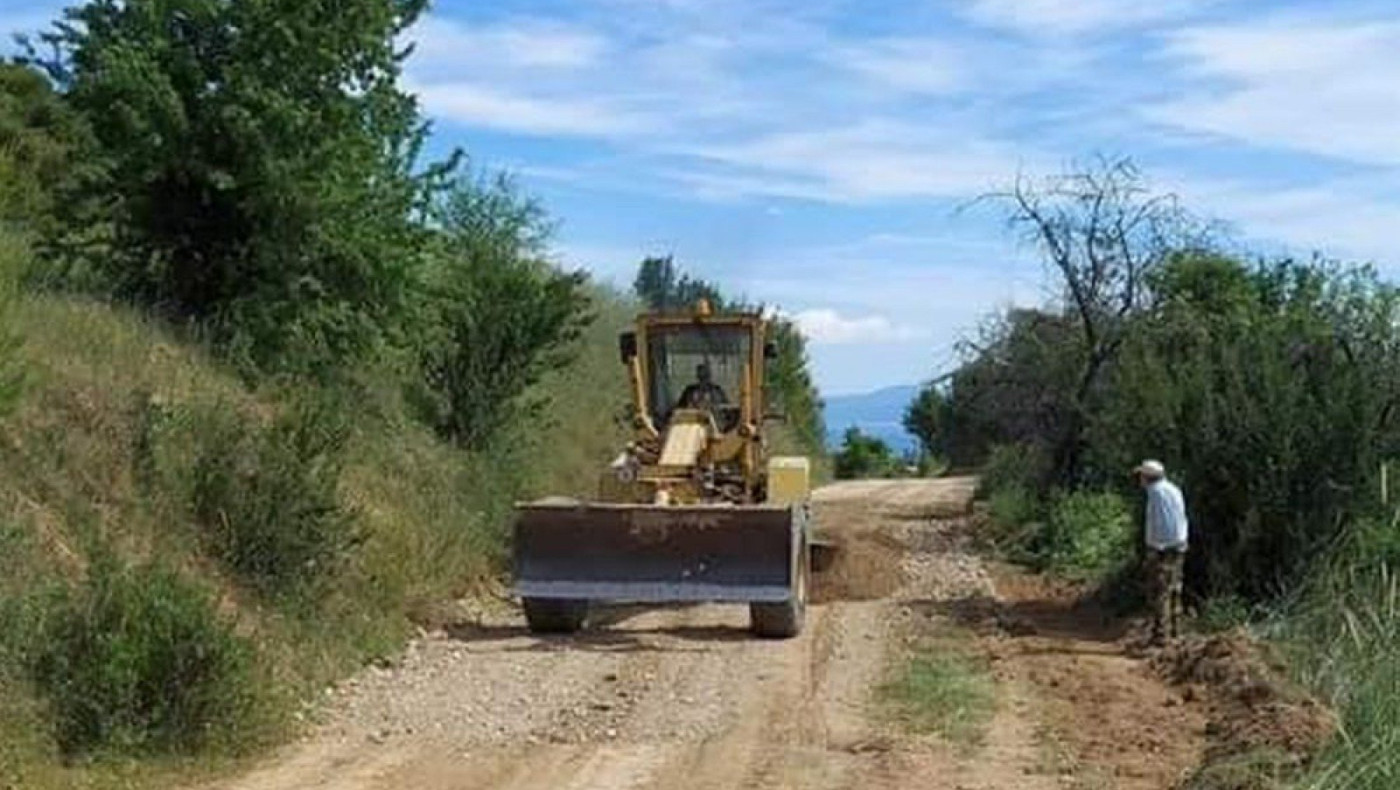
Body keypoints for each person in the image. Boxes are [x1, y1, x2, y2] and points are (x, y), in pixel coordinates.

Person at [1136, 459, 1189, 645]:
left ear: (1147, 477)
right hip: (1179, 544)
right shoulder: (1174, 489)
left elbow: (1157, 524)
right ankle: (1176, 632)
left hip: (1162, 548)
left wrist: (1152, 548)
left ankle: (1161, 635)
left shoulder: (1155, 493)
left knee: (1160, 591)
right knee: (1175, 588)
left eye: (1141, 476)